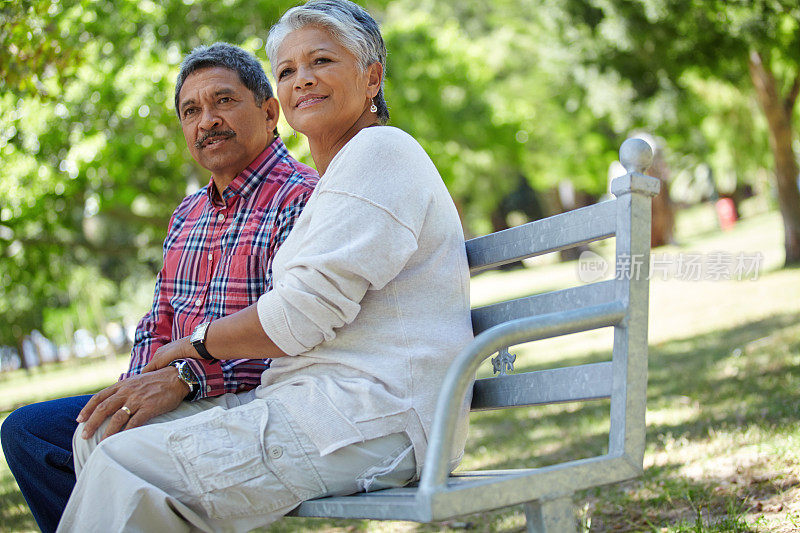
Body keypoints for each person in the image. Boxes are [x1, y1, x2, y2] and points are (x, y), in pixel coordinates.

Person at [57, 1, 474, 531]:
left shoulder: (382, 152)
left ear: (372, 78)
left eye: (321, 61)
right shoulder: (339, 178)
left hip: (376, 416)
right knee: (103, 434)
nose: (302, 80)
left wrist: (193, 346)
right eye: (287, 71)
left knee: (127, 467)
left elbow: (298, 316)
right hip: (310, 402)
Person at [0, 43, 318, 533]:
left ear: (270, 111)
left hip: (247, 402)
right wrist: (136, 387)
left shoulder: (303, 197)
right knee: (29, 433)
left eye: (224, 101)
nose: (207, 120)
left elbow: (294, 329)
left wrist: (189, 379)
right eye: (191, 111)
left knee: (110, 446)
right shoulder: (186, 215)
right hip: (181, 394)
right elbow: (159, 319)